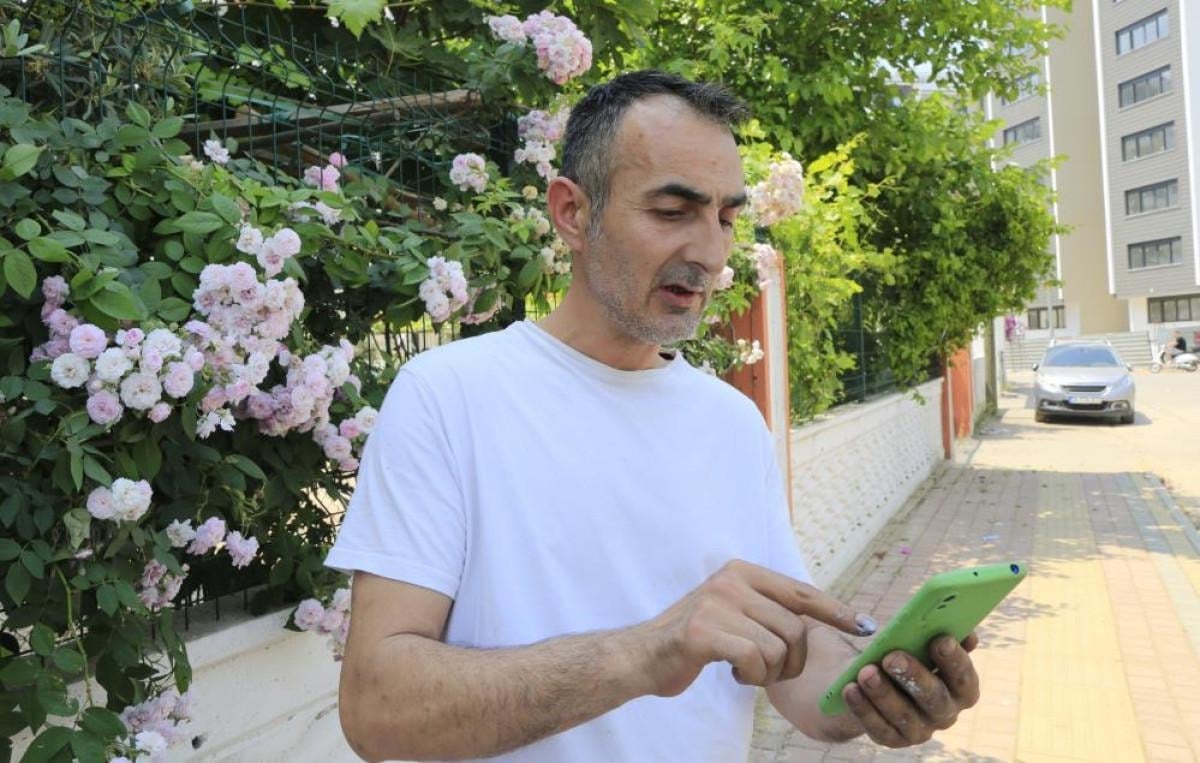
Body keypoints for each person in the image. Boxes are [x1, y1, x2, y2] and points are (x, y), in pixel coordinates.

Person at [326, 70, 981, 762]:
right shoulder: (448, 396)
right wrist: (649, 652)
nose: (711, 254)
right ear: (572, 212)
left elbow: (795, 667)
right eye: (672, 211)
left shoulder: (733, 423)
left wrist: (876, 691)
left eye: (726, 218)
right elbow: (379, 708)